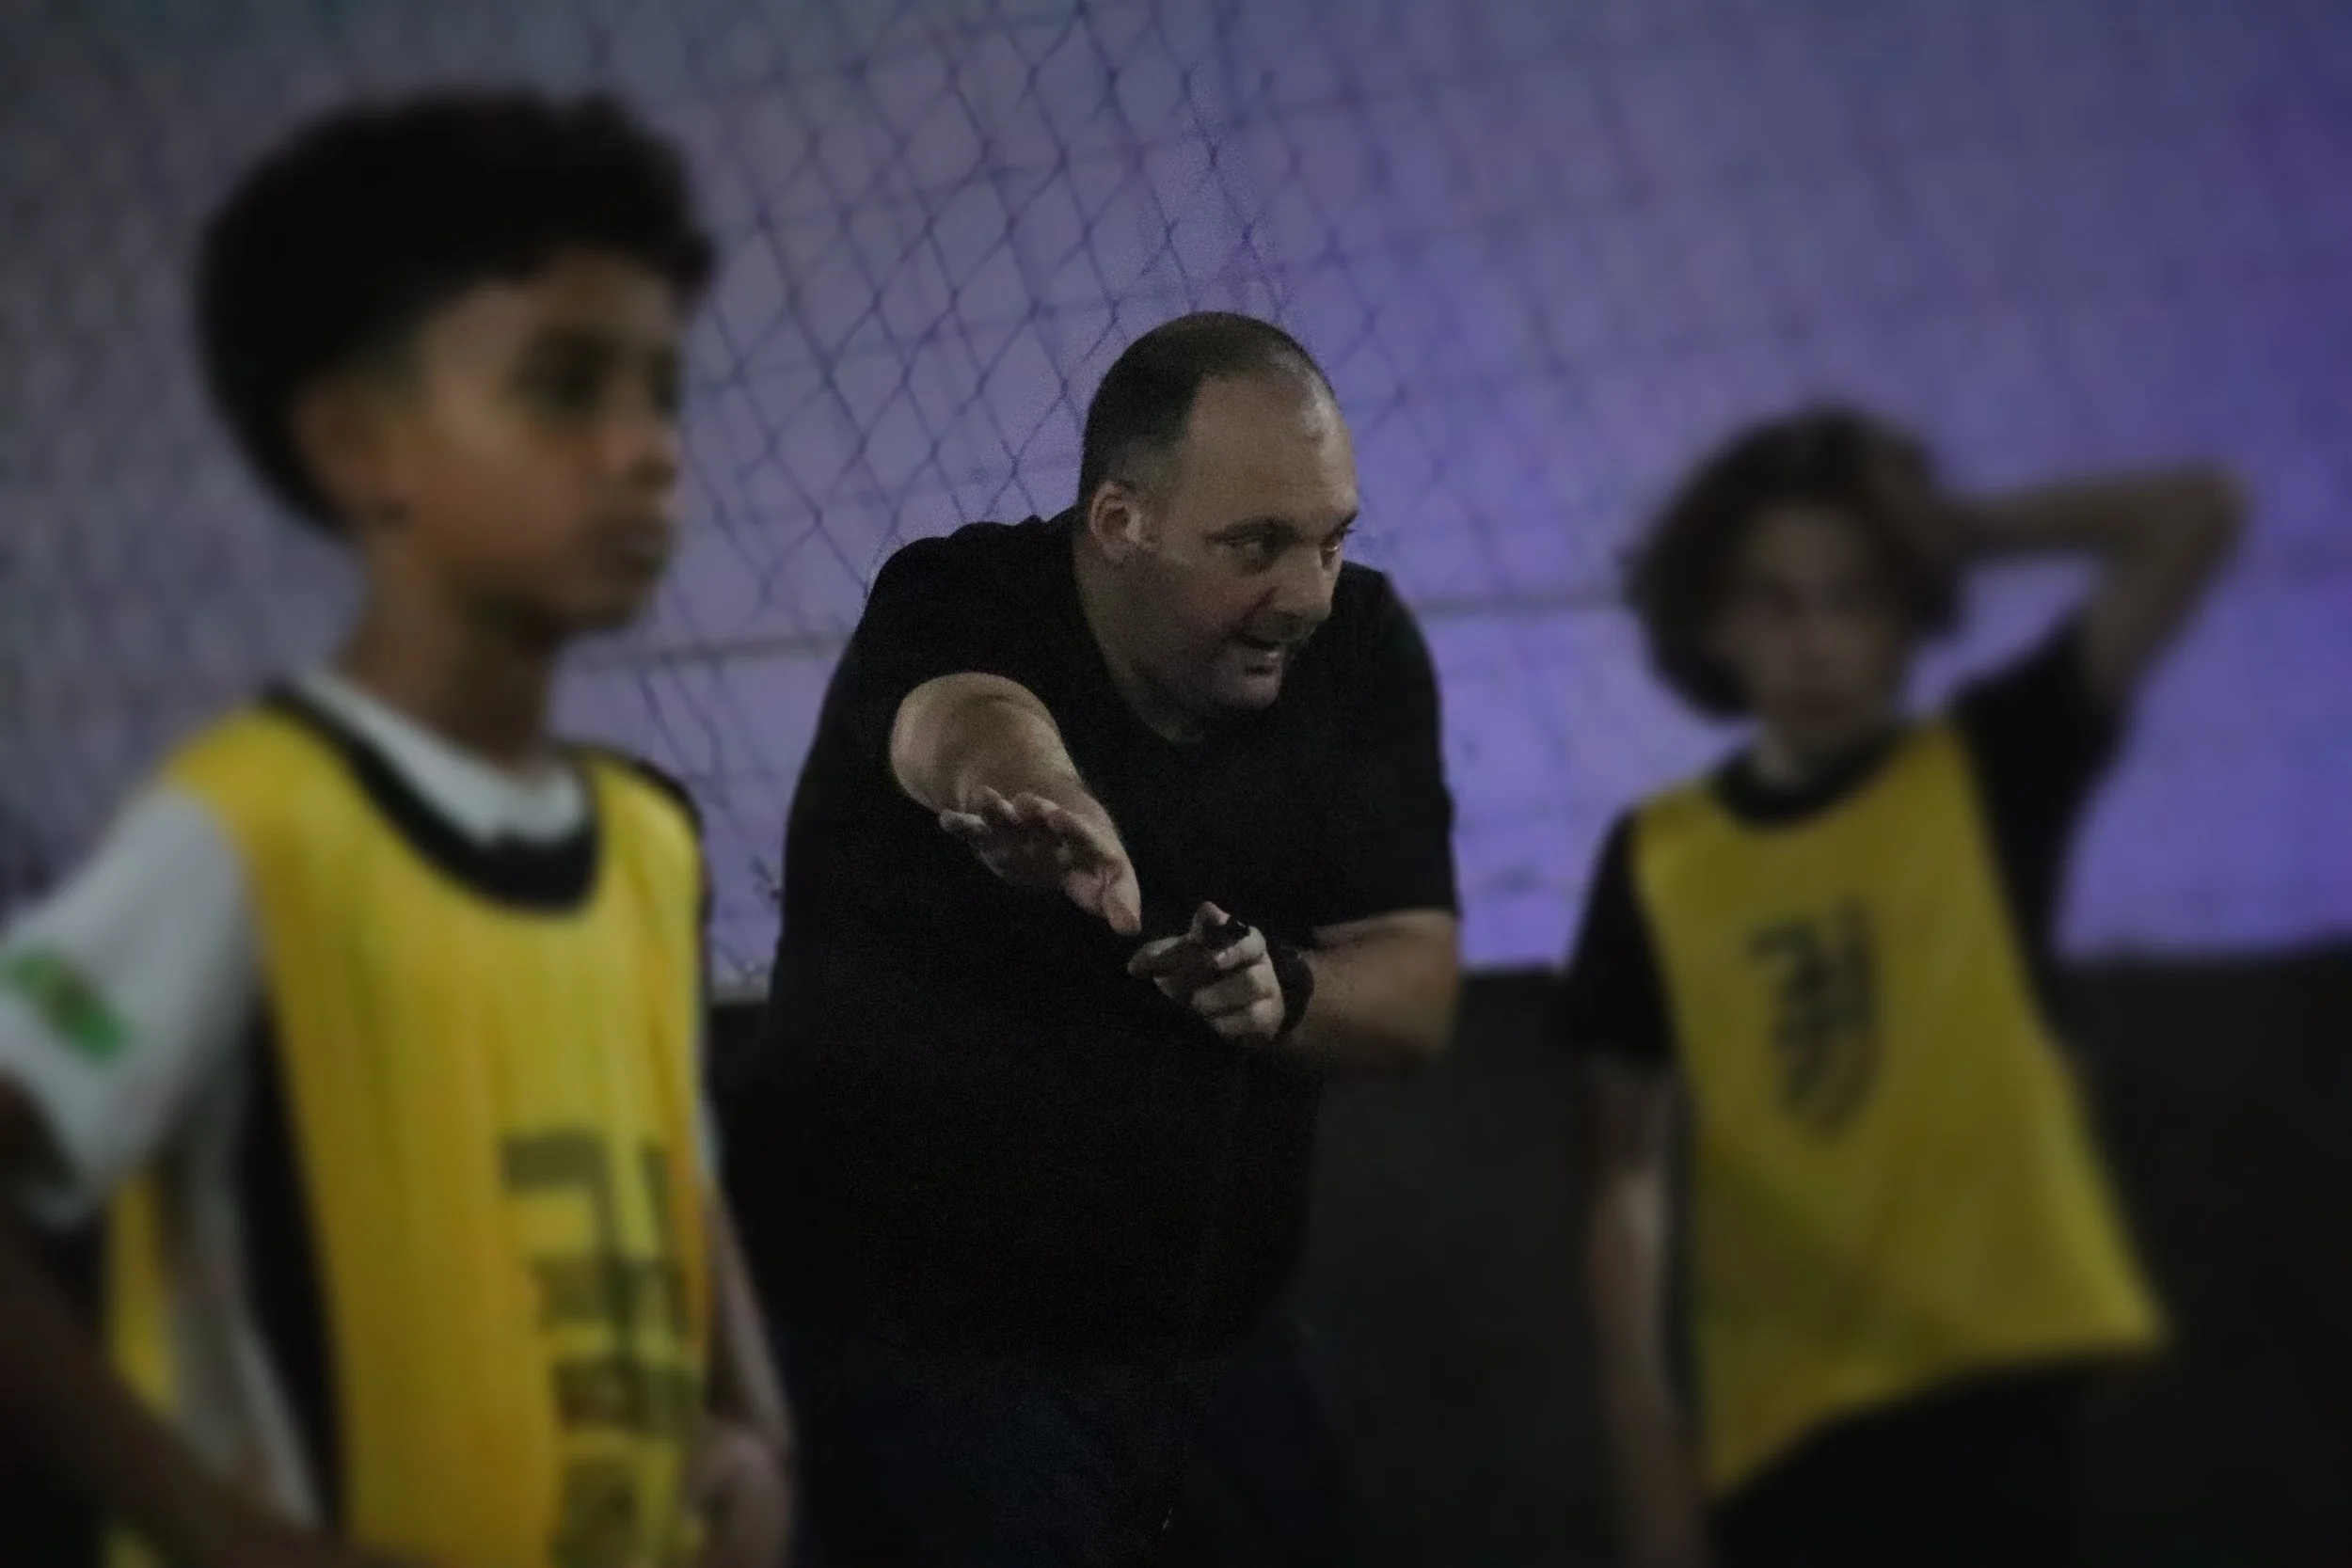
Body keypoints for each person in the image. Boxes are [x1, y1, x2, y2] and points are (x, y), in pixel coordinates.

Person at [0, 90, 791, 1568]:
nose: (643, 450)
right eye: (565, 386)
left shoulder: (639, 843)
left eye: (656, 389)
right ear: (366, 448)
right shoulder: (248, 831)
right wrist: (222, 1527)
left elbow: (674, 1164)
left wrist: (749, 1418)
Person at [730, 310, 1460, 1567]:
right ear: (1121, 524)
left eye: (1332, 542)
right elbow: (962, 719)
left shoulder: (1359, 653)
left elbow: (1414, 985)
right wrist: (1042, 800)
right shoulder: (958, 594)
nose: (1304, 596)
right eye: (1256, 546)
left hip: (1215, 1339)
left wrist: (1287, 992)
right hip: (926, 1353)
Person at [1562, 408, 2242, 1567]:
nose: (1815, 641)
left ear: (1905, 610)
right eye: (1772, 600)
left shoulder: (1983, 774)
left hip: (1991, 1397)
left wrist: (1950, 528)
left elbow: (2193, 514)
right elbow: (1626, 1175)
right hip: (1782, 1421)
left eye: (1853, 596)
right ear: (1712, 617)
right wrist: (1649, 1462)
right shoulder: (1660, 859)